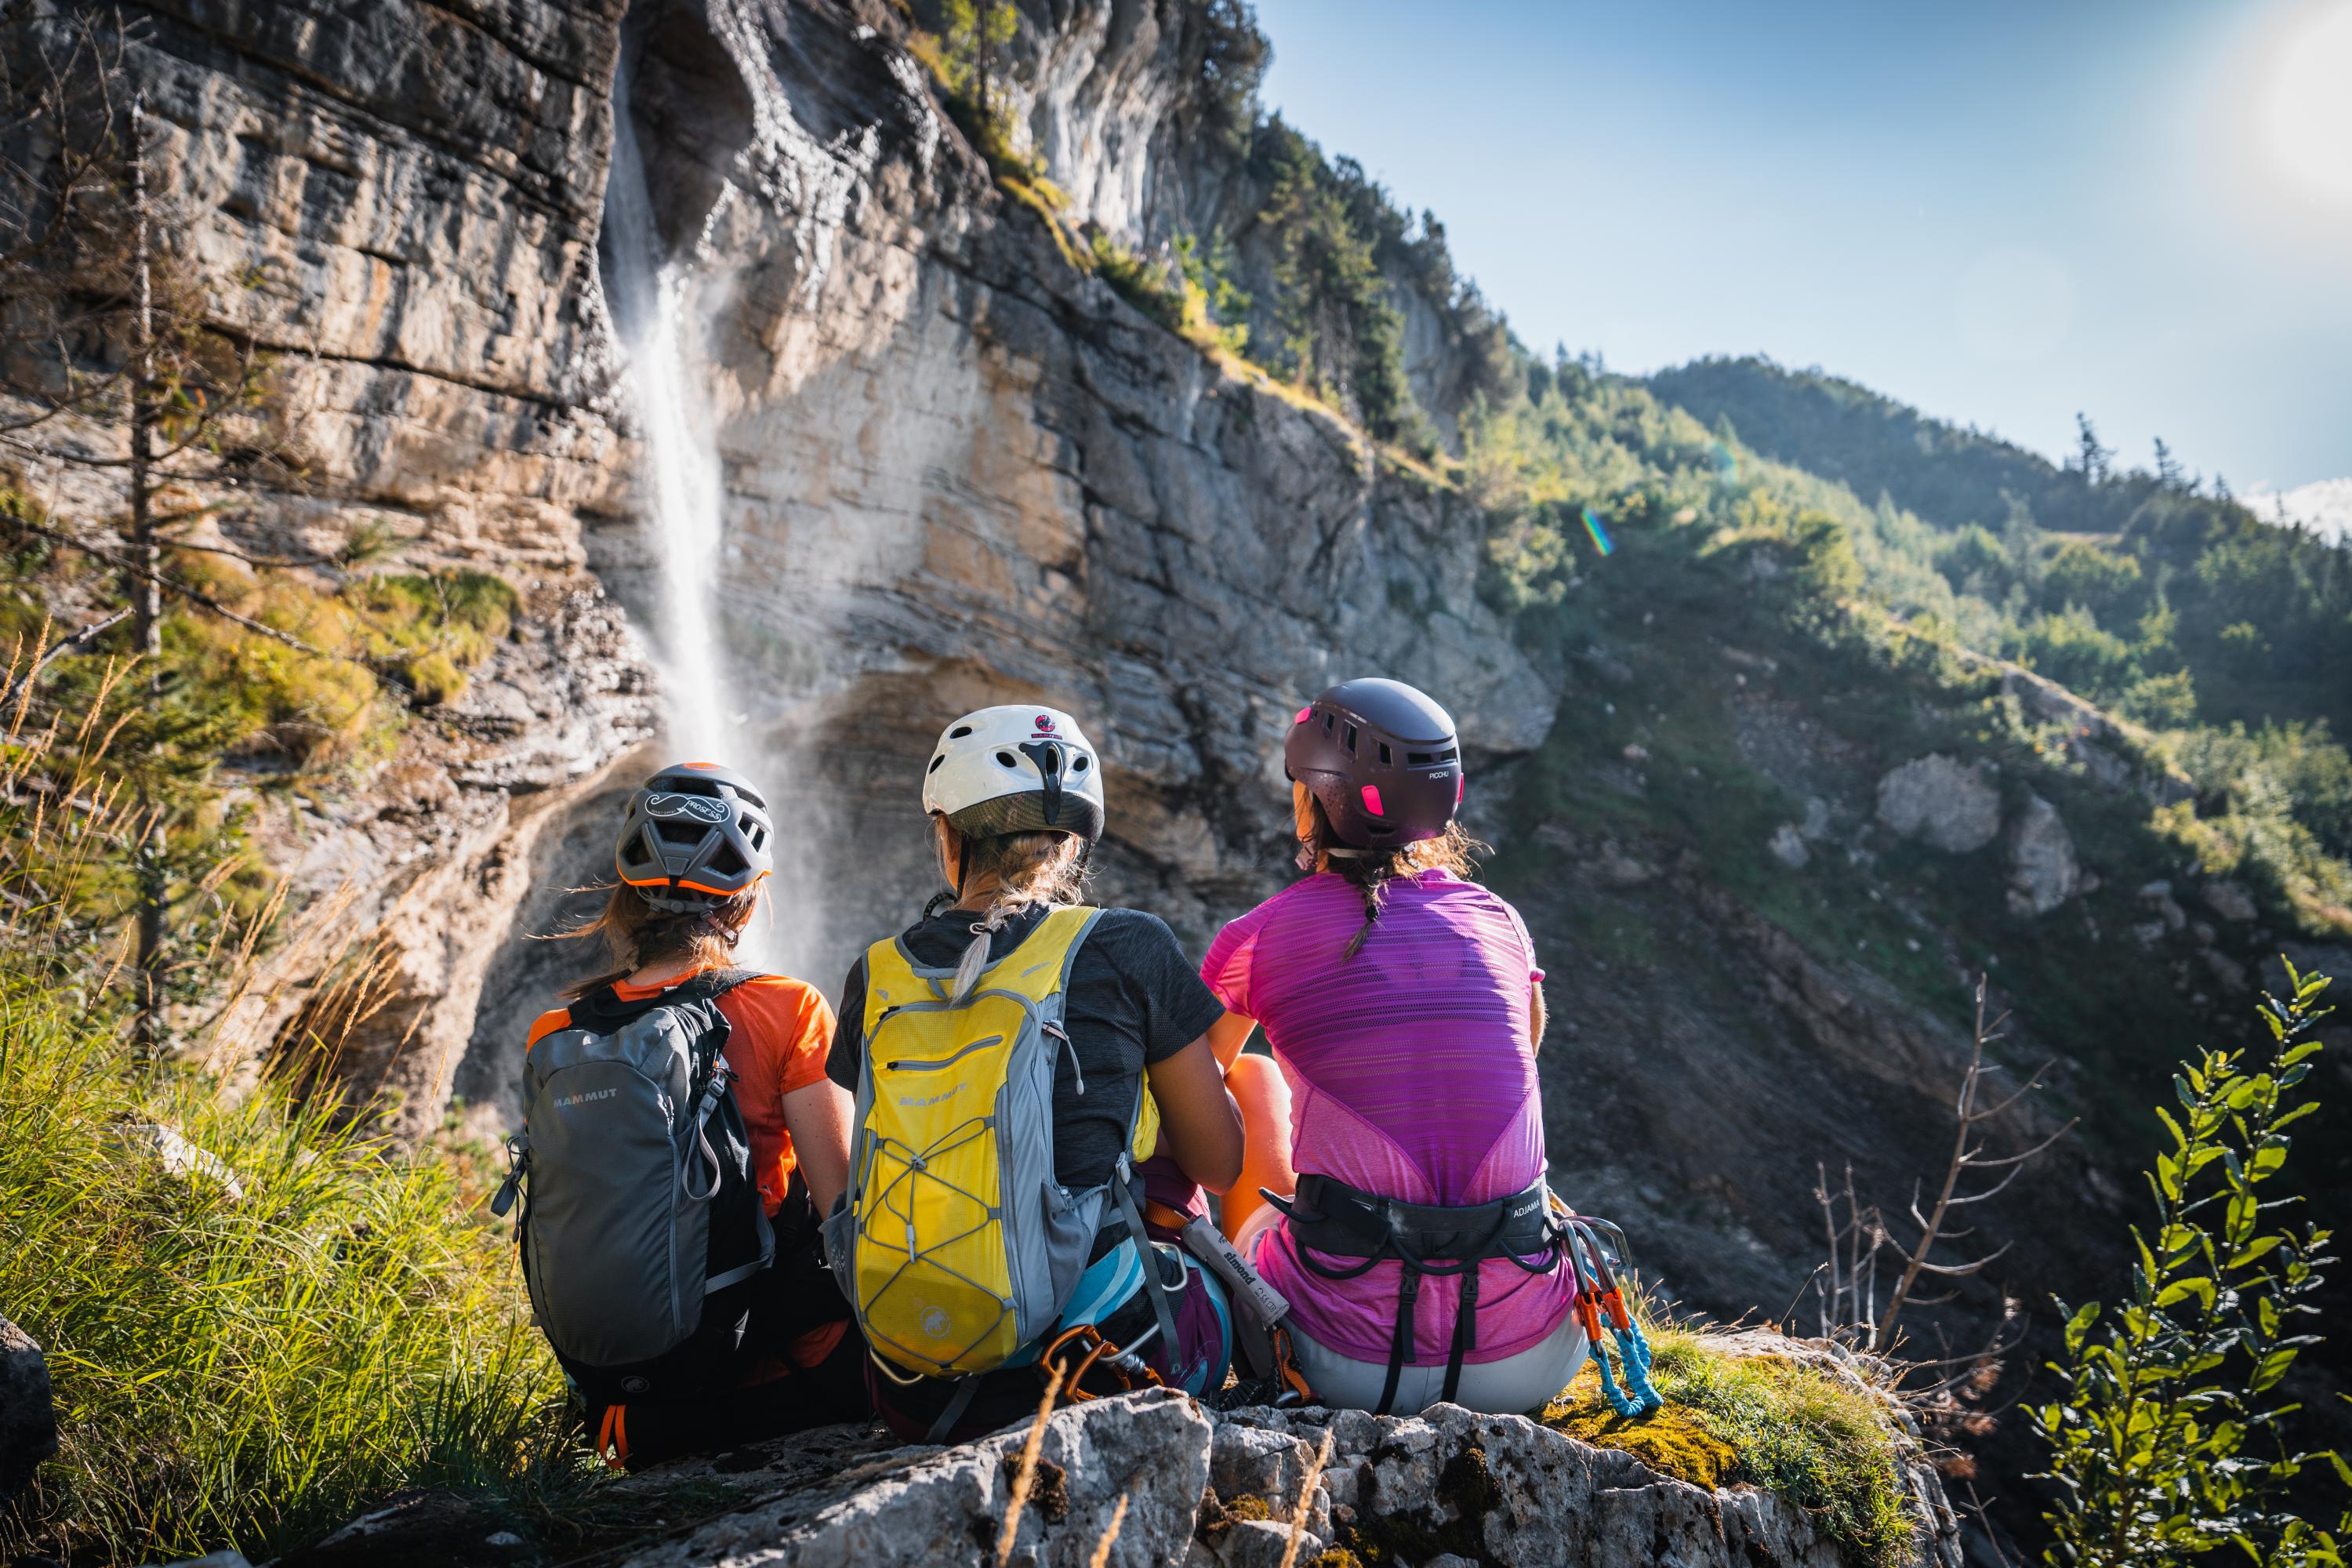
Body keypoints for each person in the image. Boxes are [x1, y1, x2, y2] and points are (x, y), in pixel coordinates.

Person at [828, 705, 1244, 1442]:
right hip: (1097, 1366)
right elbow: (1220, 1160)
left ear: (947, 835)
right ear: (1073, 844)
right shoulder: (1127, 943)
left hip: (912, 1382)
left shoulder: (875, 972)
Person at [1206, 679, 1584, 1416]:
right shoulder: (1498, 921)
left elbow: (1186, 1092)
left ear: (1312, 796)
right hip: (1531, 1357)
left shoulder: (1259, 936)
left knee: (1251, 1077)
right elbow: (1523, 1053)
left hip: (1338, 1359)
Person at [519, 761, 866, 1466]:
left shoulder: (556, 1032)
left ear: (626, 892)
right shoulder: (787, 1006)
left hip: (626, 1407)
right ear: (744, 900)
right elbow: (845, 1216)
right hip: (777, 1379)